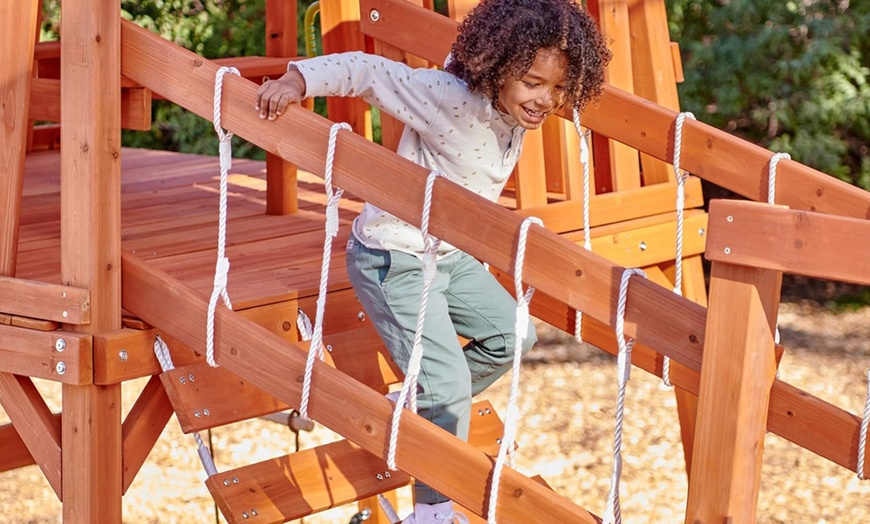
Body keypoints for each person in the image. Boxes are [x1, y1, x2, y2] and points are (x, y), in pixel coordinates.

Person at [255, 0, 610, 521]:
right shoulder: (447, 97)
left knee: (514, 337)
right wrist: (296, 81)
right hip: (393, 259)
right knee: (444, 385)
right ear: (498, 69)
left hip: (449, 256)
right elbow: (368, 72)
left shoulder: (513, 111)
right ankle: (432, 511)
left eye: (558, 89)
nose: (545, 100)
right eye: (533, 83)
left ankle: (421, 404)